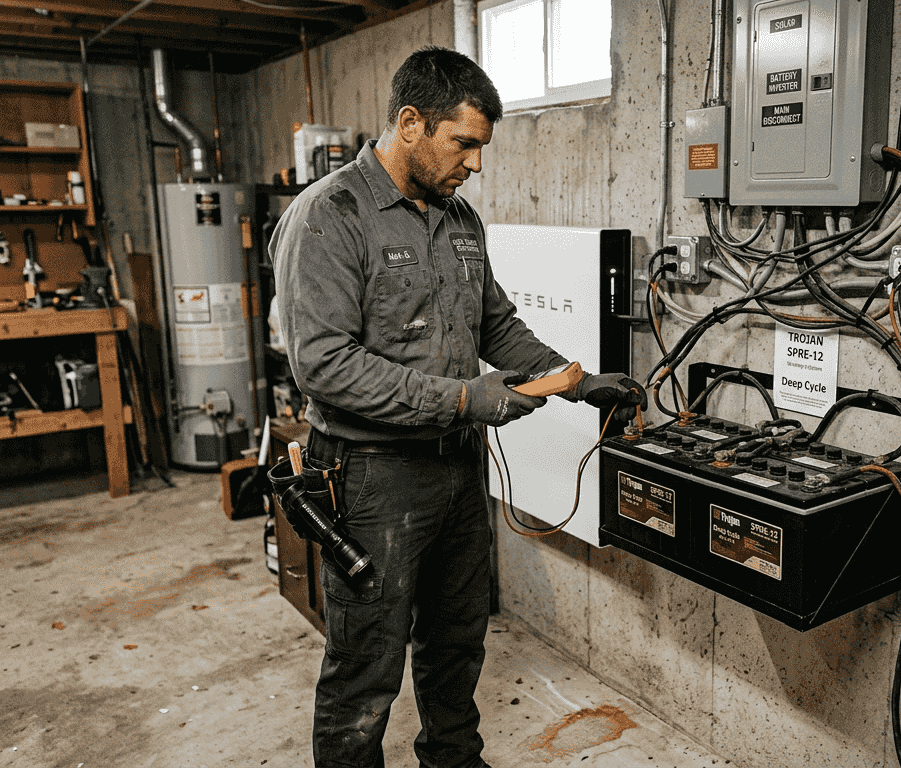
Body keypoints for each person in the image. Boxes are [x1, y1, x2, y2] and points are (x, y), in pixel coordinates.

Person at [271, 46, 645, 768]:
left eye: (479, 147)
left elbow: (495, 323)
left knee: (456, 637)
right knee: (366, 665)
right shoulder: (331, 214)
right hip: (371, 478)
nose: (474, 162)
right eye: (463, 143)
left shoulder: (458, 219)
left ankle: (453, 759)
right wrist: (466, 398)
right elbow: (322, 366)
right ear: (410, 122)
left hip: (454, 468)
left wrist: (574, 379)